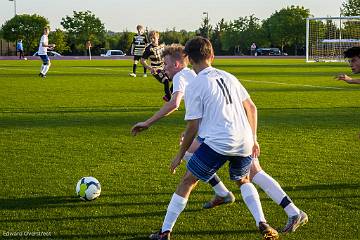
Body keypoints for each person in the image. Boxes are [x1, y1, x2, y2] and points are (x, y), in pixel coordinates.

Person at [149, 37, 279, 240]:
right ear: (212, 56)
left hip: (218, 142)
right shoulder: (230, 76)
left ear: (189, 60)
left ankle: (165, 232)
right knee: (244, 180)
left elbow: (192, 127)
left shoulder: (194, 85)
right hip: (244, 139)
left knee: (187, 182)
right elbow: (251, 108)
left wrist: (179, 155)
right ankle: (262, 222)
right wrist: (253, 139)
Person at [132, 44, 235, 209]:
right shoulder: (189, 73)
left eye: (165, 64)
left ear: (177, 65)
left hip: (216, 128)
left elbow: (174, 103)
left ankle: (225, 194)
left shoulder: (181, 76)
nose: (163, 68)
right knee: (189, 150)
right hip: (217, 123)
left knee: (252, 173)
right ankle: (222, 193)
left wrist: (147, 122)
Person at [141, 31, 172, 102]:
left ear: (158, 37)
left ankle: (168, 95)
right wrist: (150, 68)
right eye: (151, 38)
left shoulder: (162, 45)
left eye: (154, 38)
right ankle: (170, 101)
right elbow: (142, 60)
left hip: (164, 67)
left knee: (176, 77)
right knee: (166, 81)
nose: (152, 40)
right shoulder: (149, 48)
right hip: (156, 69)